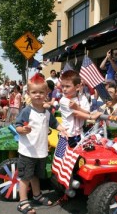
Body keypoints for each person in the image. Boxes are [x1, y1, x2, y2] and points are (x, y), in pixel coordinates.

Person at [15, 74, 68, 214]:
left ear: (46, 93)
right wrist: (23, 130)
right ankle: (22, 202)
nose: (38, 95)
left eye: (41, 92)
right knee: (25, 177)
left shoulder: (47, 112)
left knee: (35, 175)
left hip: (41, 150)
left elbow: (54, 123)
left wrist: (61, 128)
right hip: (28, 151)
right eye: (34, 92)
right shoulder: (27, 111)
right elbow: (17, 126)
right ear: (28, 94)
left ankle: (37, 195)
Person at [59, 70, 102, 148]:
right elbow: (76, 114)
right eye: (62, 86)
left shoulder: (83, 98)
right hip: (67, 134)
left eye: (67, 86)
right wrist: (92, 117)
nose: (64, 89)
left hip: (80, 134)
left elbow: (87, 112)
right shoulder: (63, 100)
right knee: (65, 158)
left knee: (79, 157)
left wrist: (77, 107)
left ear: (77, 87)